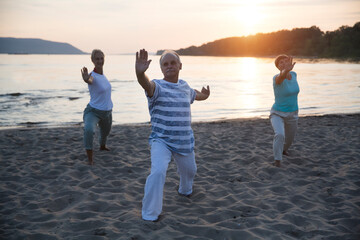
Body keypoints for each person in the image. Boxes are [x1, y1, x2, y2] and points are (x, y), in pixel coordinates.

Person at [135, 49, 210, 221]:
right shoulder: (157, 86)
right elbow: (146, 84)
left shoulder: (184, 87)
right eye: (165, 64)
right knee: (158, 172)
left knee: (190, 171)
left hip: (183, 141)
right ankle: (150, 214)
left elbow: (195, 95)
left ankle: (184, 190)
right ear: (161, 68)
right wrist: (140, 74)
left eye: (173, 63)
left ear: (180, 66)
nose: (169, 66)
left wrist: (205, 95)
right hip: (161, 140)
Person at [81, 49, 113, 165]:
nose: (100, 61)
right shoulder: (92, 76)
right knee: (89, 130)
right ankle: (90, 158)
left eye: (101, 58)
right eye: (97, 59)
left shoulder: (103, 76)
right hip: (93, 111)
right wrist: (86, 79)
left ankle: (102, 146)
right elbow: (89, 80)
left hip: (107, 112)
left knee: (105, 132)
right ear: (93, 60)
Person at [270, 54, 299, 167]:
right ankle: (277, 161)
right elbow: (281, 78)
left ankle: (283, 150)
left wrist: (288, 71)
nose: (283, 64)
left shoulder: (294, 75)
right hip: (277, 113)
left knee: (289, 140)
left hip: (293, 113)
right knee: (280, 135)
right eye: (280, 63)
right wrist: (284, 71)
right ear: (277, 67)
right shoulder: (276, 78)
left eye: (284, 61)